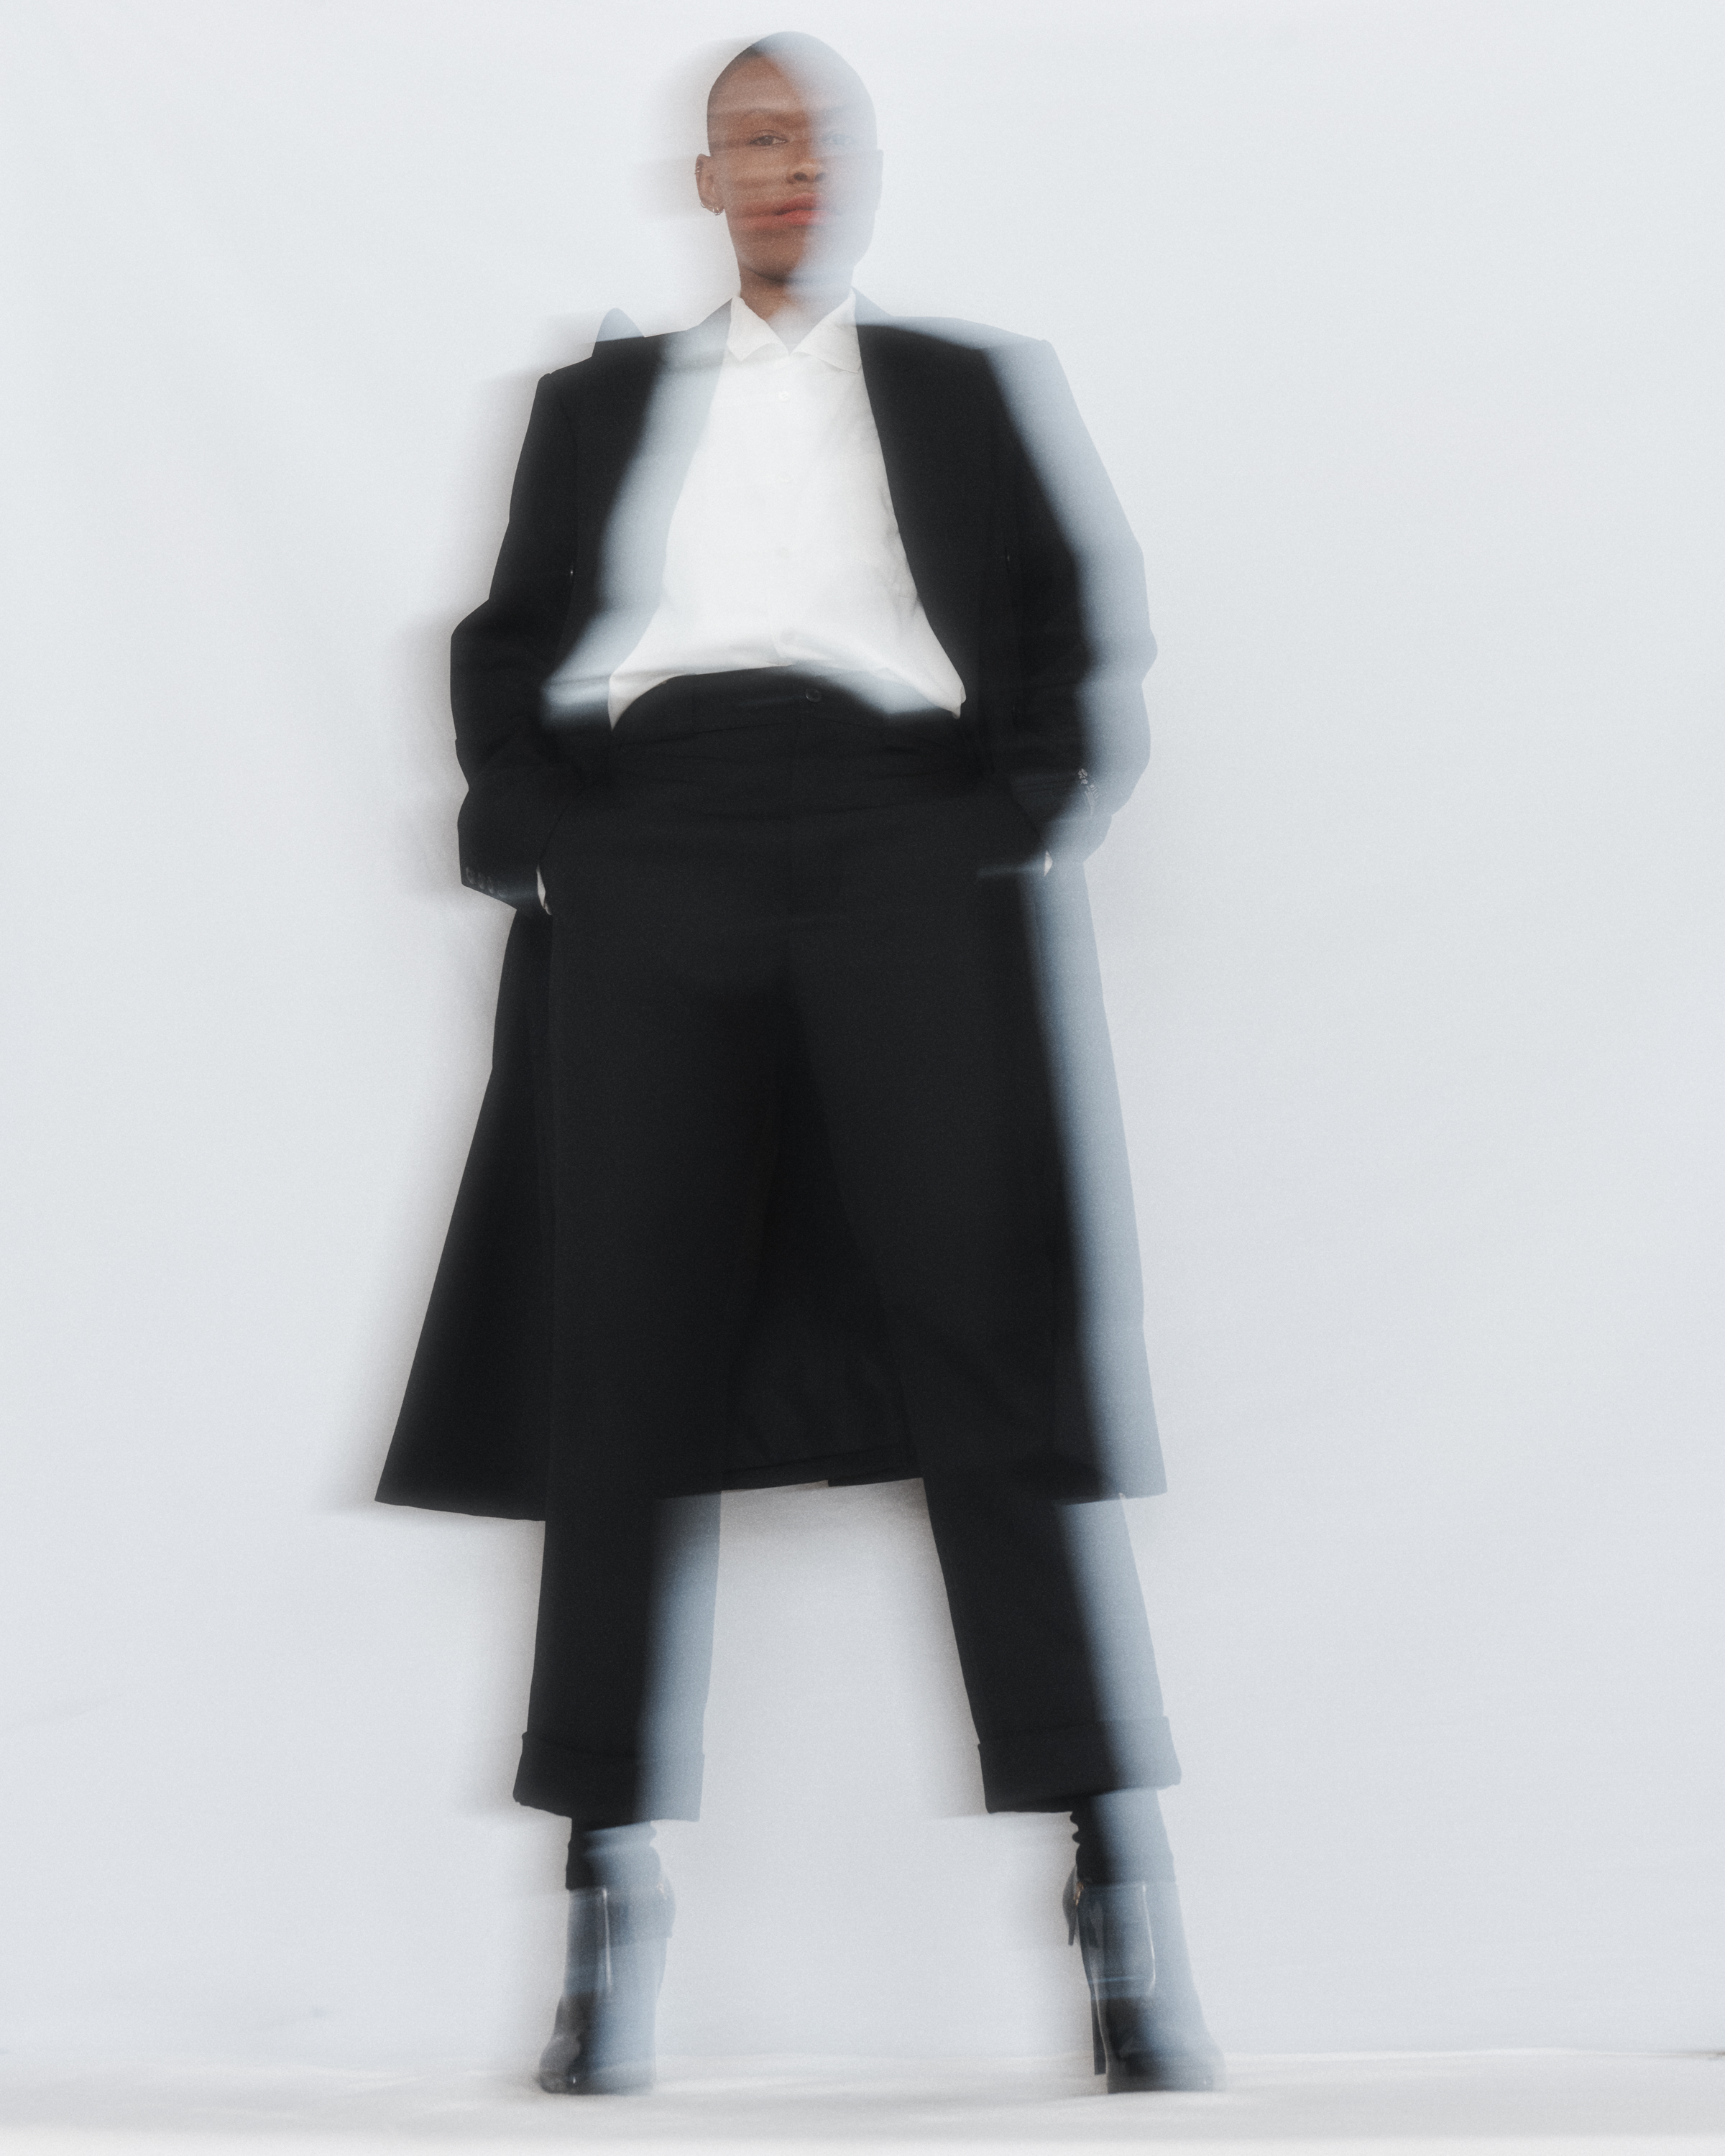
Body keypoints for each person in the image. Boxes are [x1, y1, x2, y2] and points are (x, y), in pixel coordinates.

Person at [377, 30, 1222, 2097]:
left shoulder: (955, 385)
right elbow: (505, 638)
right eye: (749, 139)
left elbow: (1066, 620)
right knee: (619, 1351)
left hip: (897, 832)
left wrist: (1000, 815)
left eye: (812, 138)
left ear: (845, 176)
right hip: (653, 839)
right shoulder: (597, 405)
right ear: (702, 178)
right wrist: (543, 838)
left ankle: (1111, 1900)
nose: (784, 166)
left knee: (981, 1338)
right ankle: (598, 1910)